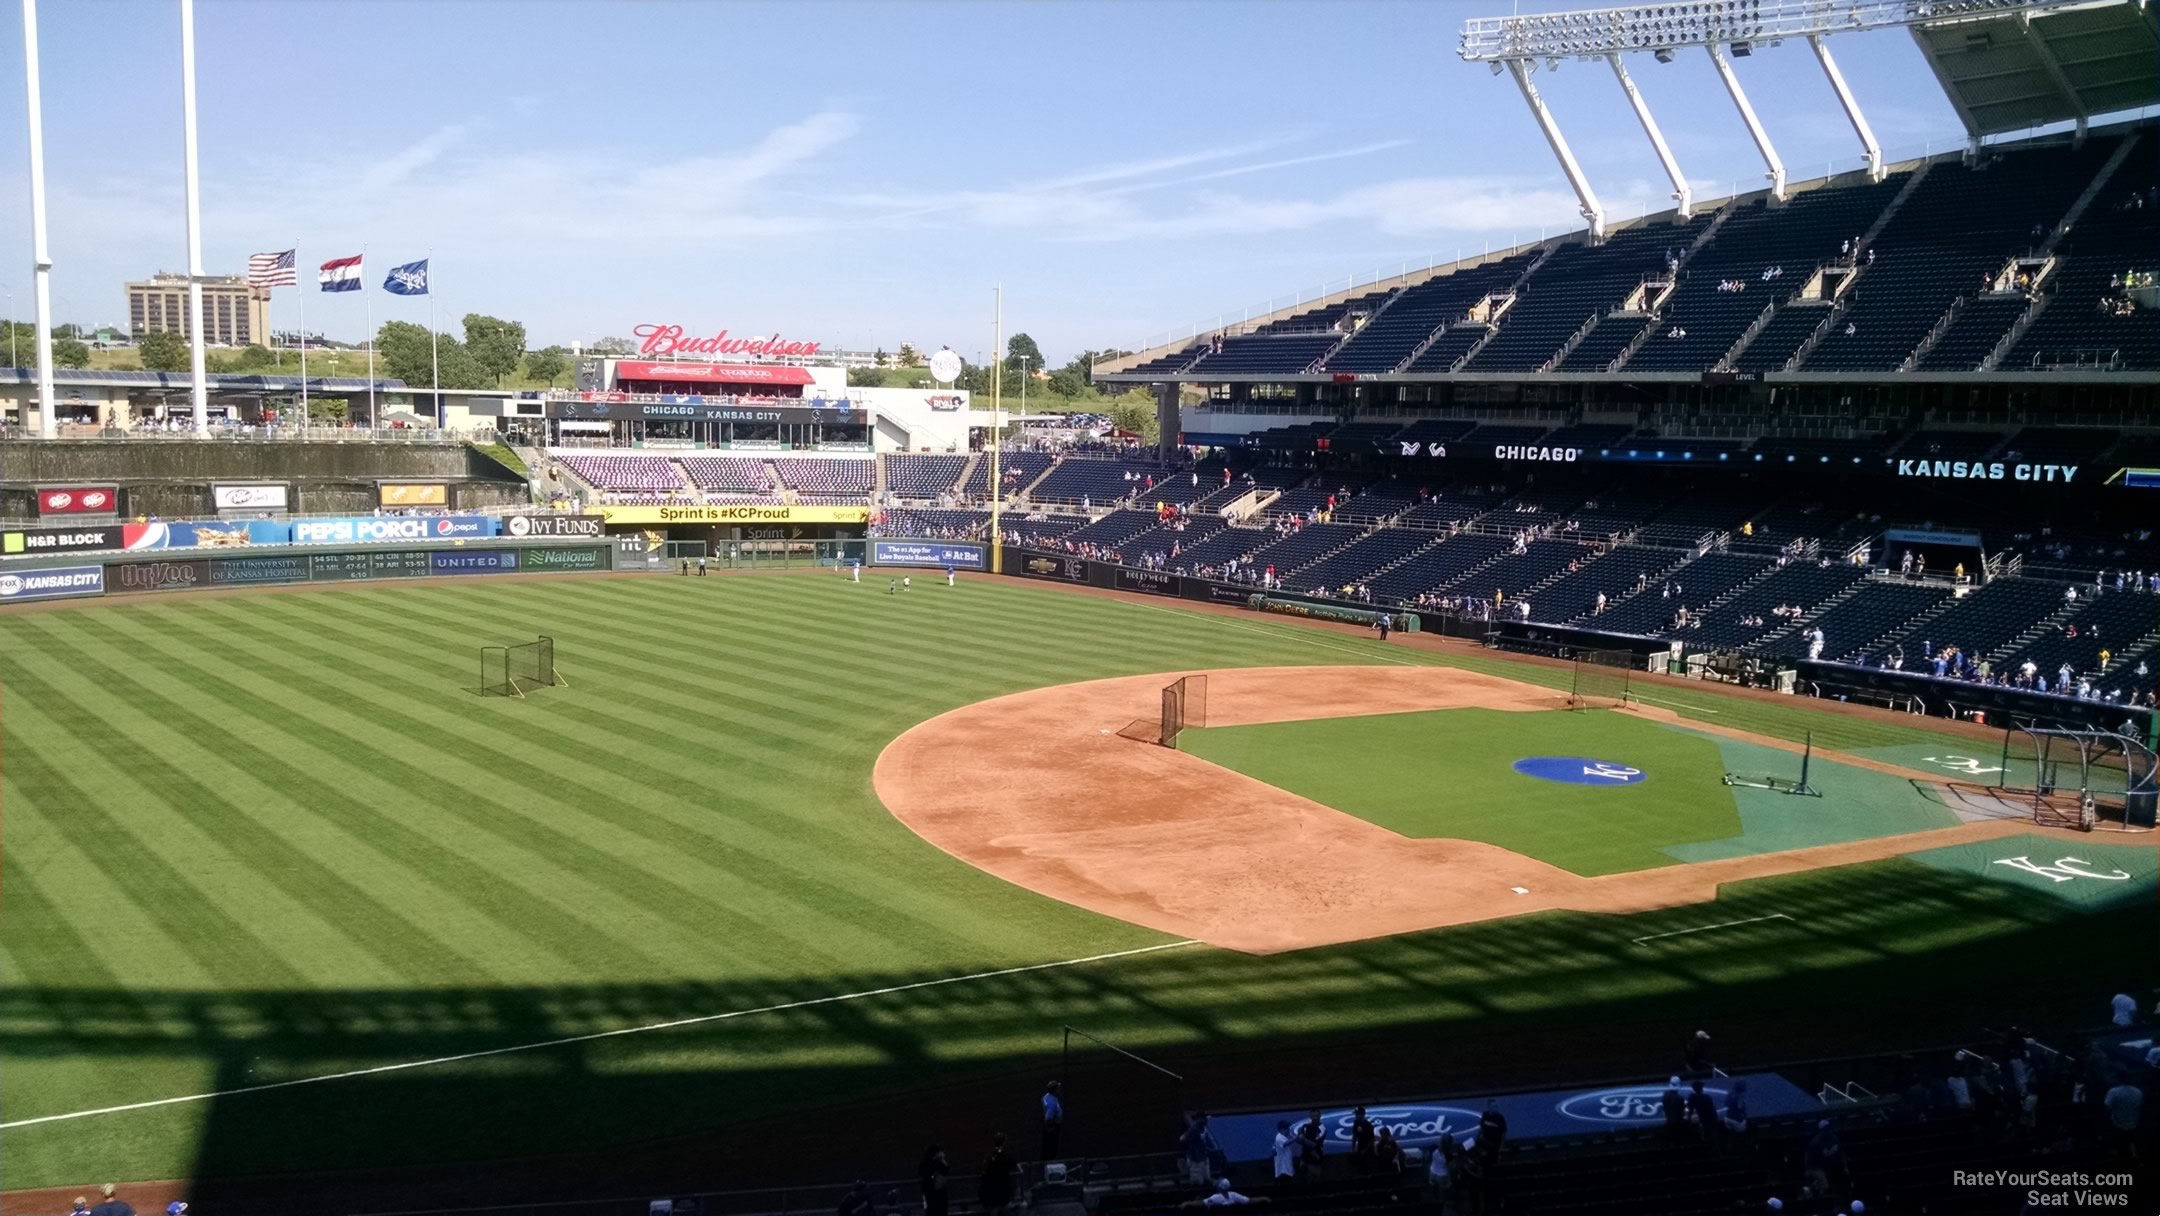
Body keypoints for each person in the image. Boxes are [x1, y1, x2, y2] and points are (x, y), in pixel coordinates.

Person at [979, 1134, 1014, 1216]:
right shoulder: (1007, 1155)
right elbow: (1013, 1165)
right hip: (1003, 1188)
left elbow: (984, 1171)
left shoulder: (990, 1156)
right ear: (1004, 1142)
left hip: (992, 1189)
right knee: (1004, 1209)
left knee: (993, 1210)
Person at [1182, 1112, 1217, 1185]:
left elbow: (1211, 1143)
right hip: (1195, 1160)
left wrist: (1213, 1148)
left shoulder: (1204, 1130)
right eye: (1204, 1119)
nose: (1206, 1121)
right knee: (1197, 1182)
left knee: (1207, 1178)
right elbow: (1182, 1138)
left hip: (1204, 1158)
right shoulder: (1193, 1130)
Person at [919, 1145, 950, 1216]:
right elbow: (923, 1173)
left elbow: (946, 1170)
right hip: (931, 1192)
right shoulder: (927, 1162)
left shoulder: (939, 1162)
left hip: (939, 1191)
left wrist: (942, 1160)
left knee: (941, 1210)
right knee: (932, 1210)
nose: (943, 1153)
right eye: (941, 1152)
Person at [1041, 1081, 1065, 1159]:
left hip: (1050, 1126)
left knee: (1048, 1148)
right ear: (1054, 1090)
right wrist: (1052, 1128)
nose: (1059, 1089)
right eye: (1057, 1088)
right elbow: (1049, 1117)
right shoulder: (1052, 1102)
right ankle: (1051, 1164)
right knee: (1052, 1149)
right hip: (1052, 1126)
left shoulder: (1047, 1097)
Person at [1350, 1106, 1376, 1172]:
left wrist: (1365, 1150)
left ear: (1362, 1115)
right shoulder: (1356, 1123)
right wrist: (1353, 1149)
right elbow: (1355, 1135)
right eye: (1355, 1114)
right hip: (1360, 1147)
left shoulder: (1368, 1125)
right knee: (1359, 1166)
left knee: (1368, 1167)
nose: (1355, 1116)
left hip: (1368, 1149)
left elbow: (1372, 1139)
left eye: (1357, 1114)